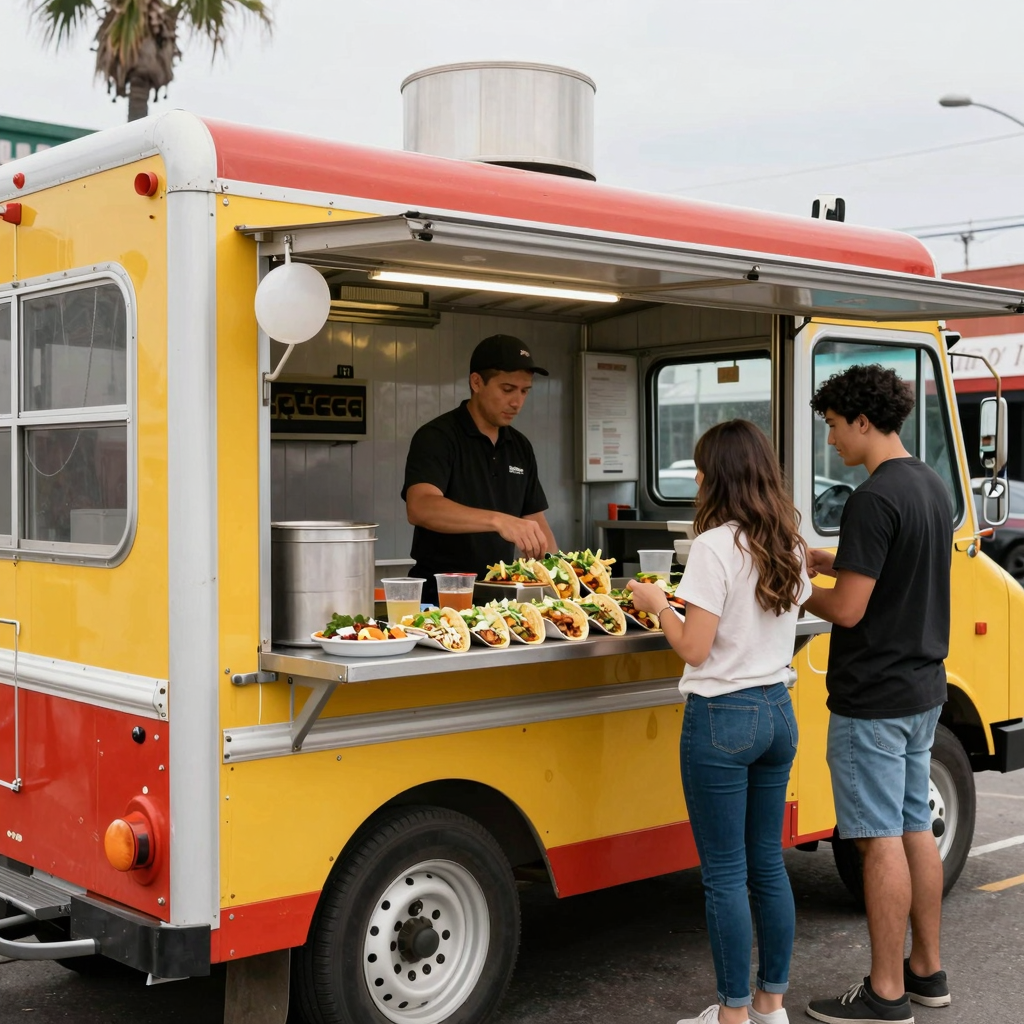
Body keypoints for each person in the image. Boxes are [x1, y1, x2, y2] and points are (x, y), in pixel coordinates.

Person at [629, 419, 810, 1024]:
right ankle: (769, 1007)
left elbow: (695, 648)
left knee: (726, 874)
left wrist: (658, 606)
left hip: (723, 718)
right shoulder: (789, 539)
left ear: (719, 476)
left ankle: (732, 1017)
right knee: (766, 863)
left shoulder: (712, 547)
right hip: (778, 711)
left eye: (702, 467)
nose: (698, 476)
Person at [803, 364, 953, 1024]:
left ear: (862, 422)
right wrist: (827, 559)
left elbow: (851, 610)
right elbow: (896, 565)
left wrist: (787, 583)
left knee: (876, 839)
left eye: (834, 427)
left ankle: (885, 993)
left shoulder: (870, 498)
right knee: (914, 826)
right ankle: (926, 971)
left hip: (874, 699)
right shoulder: (928, 485)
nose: (832, 440)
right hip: (923, 689)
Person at [402, 334, 557, 604]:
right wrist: (499, 520)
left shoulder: (520, 446)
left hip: (500, 599)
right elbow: (420, 507)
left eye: (524, 391)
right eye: (507, 389)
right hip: (438, 598)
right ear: (476, 382)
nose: (517, 402)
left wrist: (562, 579)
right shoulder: (437, 437)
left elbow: (535, 522)